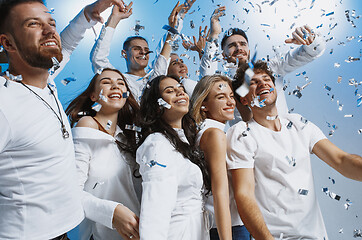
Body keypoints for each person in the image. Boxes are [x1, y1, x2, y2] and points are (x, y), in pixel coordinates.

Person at [0, 0, 125, 239]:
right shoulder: (4, 101)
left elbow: (65, 45)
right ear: (8, 43)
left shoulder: (46, 83)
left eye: (52, 23)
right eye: (33, 24)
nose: (49, 31)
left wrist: (88, 14)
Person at [227, 61, 362, 239]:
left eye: (266, 79)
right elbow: (243, 195)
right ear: (244, 99)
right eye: (253, 82)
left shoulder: (298, 123)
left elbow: (341, 160)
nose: (263, 83)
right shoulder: (242, 134)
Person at [200, 6, 326, 121]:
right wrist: (214, 35)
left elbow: (312, 52)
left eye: (243, 44)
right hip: (247, 143)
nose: (239, 48)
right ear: (223, 54)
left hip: (285, 138)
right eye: (232, 45)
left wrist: (310, 40)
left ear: (248, 51)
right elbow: (205, 83)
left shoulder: (271, 68)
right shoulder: (224, 84)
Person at [66, 68, 141, 240]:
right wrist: (113, 213)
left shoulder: (128, 137)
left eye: (121, 83)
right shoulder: (86, 127)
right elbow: (71, 192)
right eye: (106, 82)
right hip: (98, 235)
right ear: (93, 96)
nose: (115, 86)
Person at [136, 75, 210, 239]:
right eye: (170, 91)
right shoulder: (157, 144)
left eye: (181, 89)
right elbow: (155, 209)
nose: (180, 93)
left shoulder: (186, 140)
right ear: (157, 107)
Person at [191, 75, 250, 240]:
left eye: (231, 96)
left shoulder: (206, 132)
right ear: (204, 105)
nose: (231, 102)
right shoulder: (215, 134)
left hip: (222, 226)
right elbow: (220, 193)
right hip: (229, 228)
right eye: (221, 97)